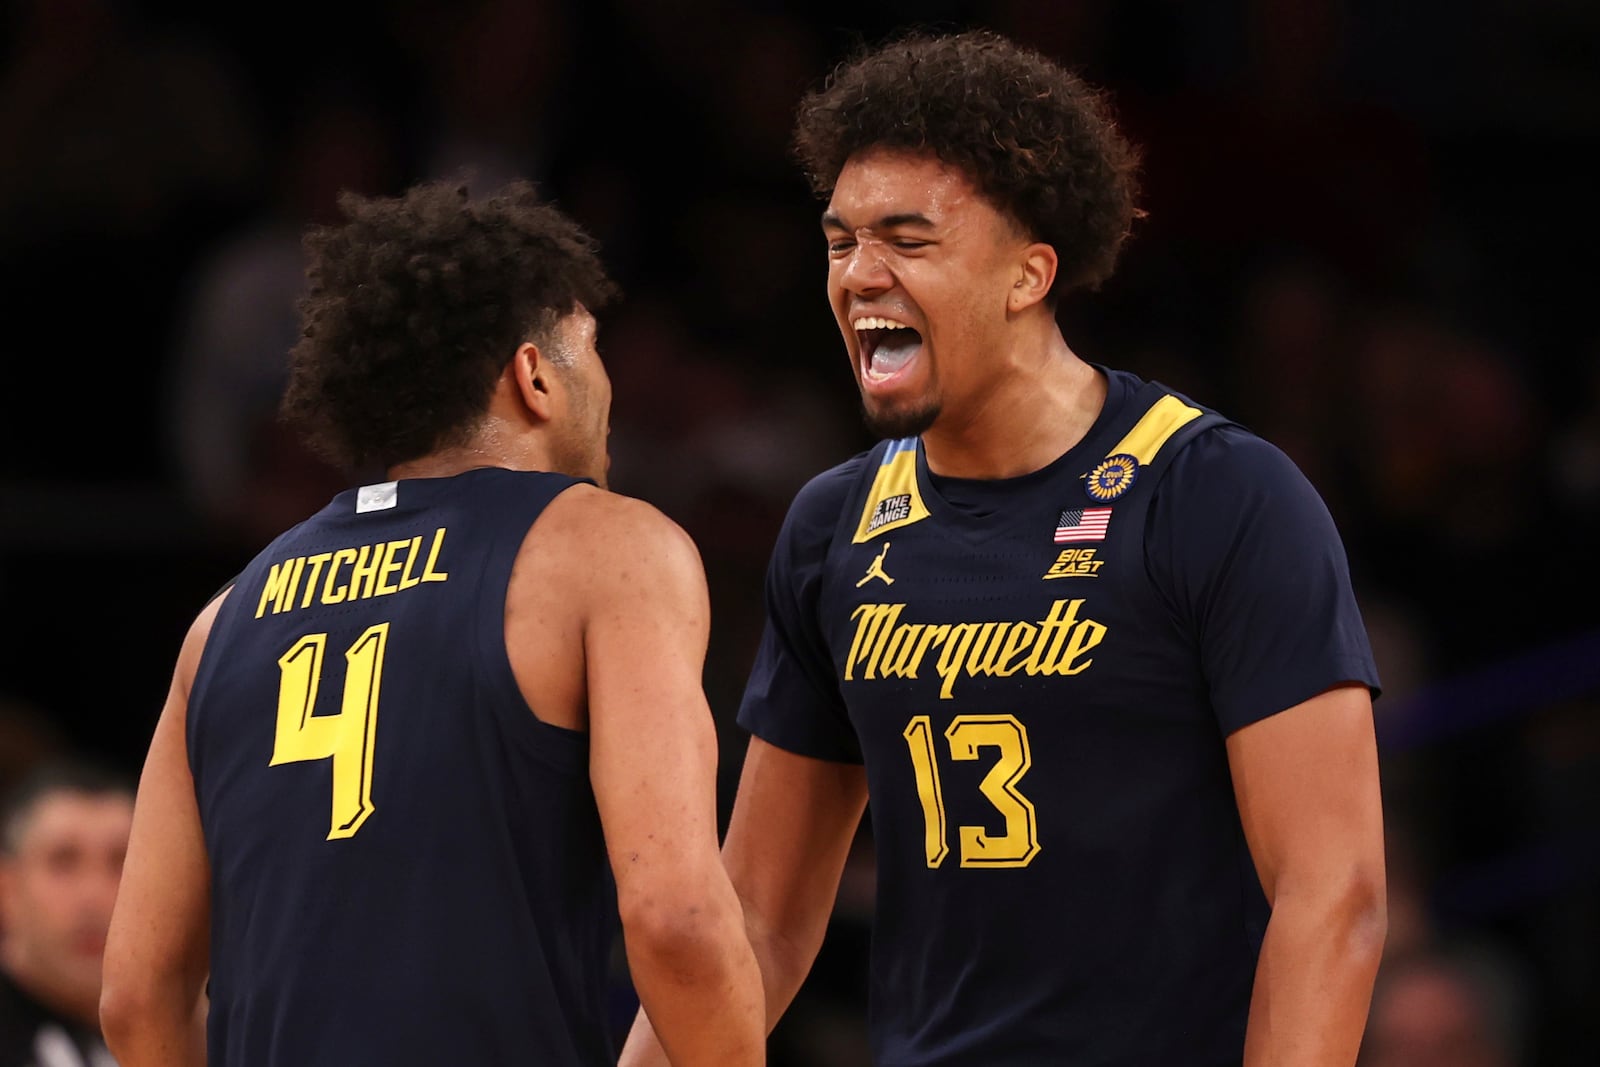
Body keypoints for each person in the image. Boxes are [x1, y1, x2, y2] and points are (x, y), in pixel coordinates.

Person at [621, 28, 1387, 1067]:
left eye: (907, 237)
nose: (860, 273)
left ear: (1030, 271)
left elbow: (1332, 892)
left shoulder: (1220, 494)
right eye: (840, 240)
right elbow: (755, 917)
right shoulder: (833, 525)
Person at [98, 179, 765, 1067]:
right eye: (589, 346)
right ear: (534, 375)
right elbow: (676, 919)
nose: (605, 383)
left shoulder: (221, 620)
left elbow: (137, 997)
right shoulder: (609, 550)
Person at [0, 759, 134, 1067]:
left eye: (121, 862)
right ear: (7, 890)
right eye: (63, 861)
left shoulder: (191, 1038)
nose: (94, 896)